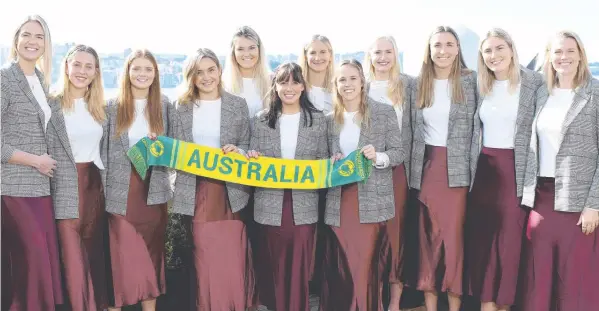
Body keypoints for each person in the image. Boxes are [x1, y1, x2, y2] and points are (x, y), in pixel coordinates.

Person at [1, 15, 63, 311]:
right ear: (16, 41)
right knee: (31, 263)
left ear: (46, 44)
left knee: (40, 266)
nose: (32, 41)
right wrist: (34, 161)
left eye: (39, 36)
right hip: (13, 189)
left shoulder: (41, 81)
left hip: (41, 190)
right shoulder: (4, 79)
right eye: (26, 34)